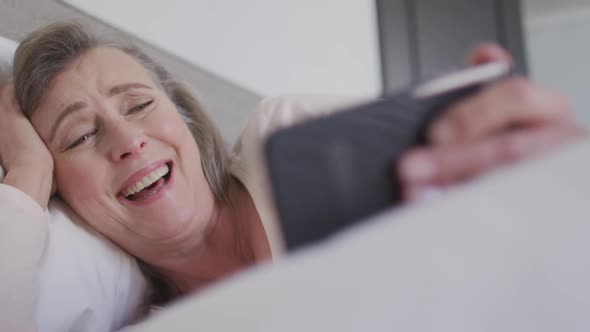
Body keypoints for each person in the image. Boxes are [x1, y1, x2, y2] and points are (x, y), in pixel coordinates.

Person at [0, 21, 585, 321]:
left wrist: (544, 166)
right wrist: (24, 177)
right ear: (62, 195)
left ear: (183, 117)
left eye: (140, 104)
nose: (127, 141)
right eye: (80, 136)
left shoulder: (285, 135)